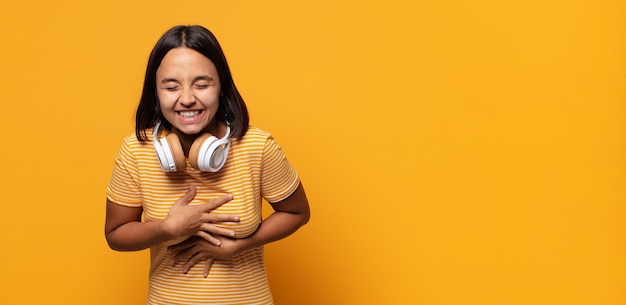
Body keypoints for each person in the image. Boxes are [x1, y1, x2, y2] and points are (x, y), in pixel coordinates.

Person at [104, 25, 310, 305]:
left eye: (201, 84)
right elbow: (116, 235)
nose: (187, 98)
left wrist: (240, 245)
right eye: (171, 86)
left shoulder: (257, 146)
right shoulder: (135, 151)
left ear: (221, 87)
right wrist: (167, 228)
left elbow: (297, 212)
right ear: (156, 92)